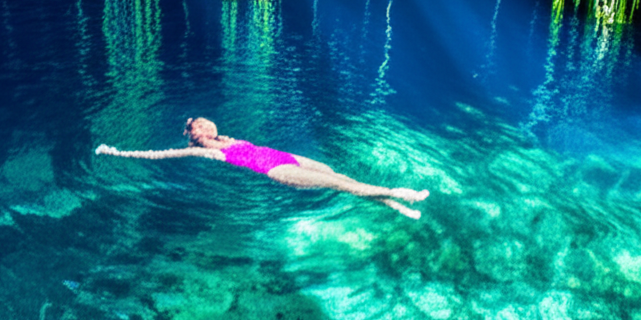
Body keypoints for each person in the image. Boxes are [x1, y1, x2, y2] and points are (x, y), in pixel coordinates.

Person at [94, 117, 429, 219]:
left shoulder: (227, 135)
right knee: (340, 186)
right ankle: (401, 194)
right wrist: (118, 153)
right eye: (199, 123)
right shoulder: (203, 152)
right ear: (196, 134)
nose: (206, 122)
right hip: (278, 172)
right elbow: (157, 155)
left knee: (338, 176)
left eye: (204, 120)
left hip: (287, 156)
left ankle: (392, 204)